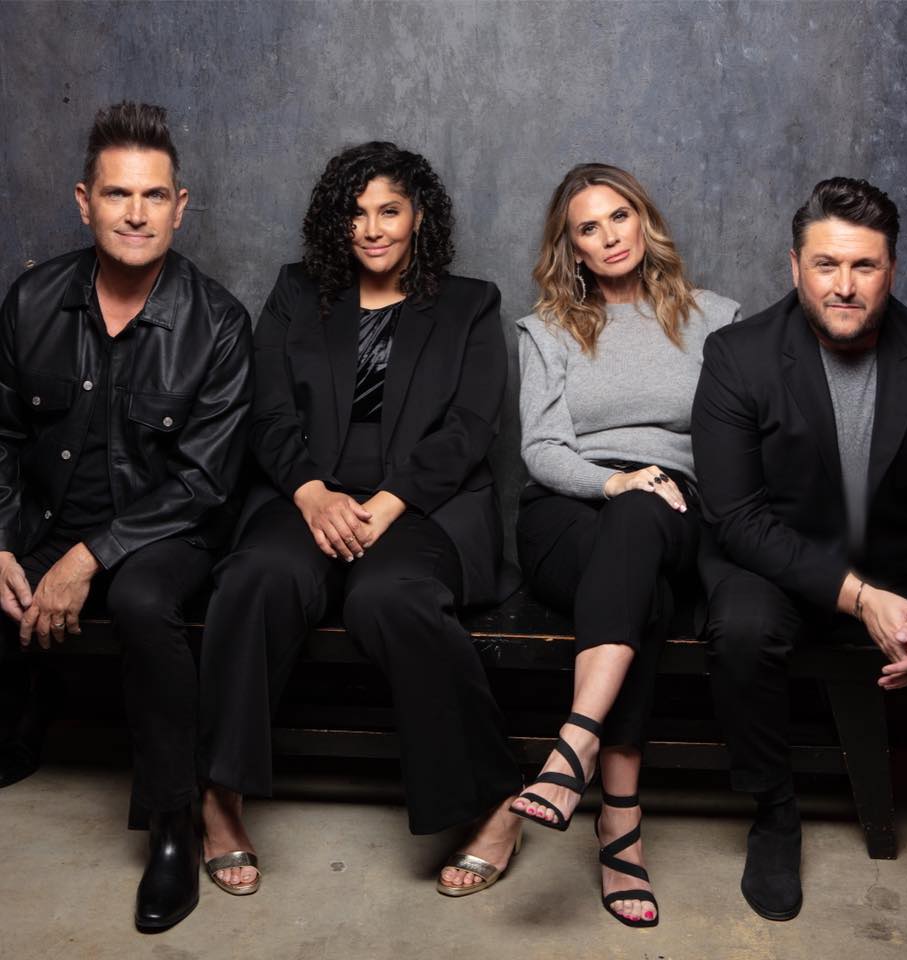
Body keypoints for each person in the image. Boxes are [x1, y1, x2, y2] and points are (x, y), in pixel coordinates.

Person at [198, 141, 523, 899]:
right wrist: (310, 492)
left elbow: (471, 426)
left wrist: (389, 502)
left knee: (390, 597)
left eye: (389, 211)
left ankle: (493, 803)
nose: (372, 229)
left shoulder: (470, 304)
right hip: (306, 494)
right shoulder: (296, 292)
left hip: (425, 505)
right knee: (258, 576)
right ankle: (218, 794)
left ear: (419, 218)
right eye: (356, 213)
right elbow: (268, 409)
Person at [0, 101, 253, 932]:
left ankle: (173, 823)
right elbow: (1, 435)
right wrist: (2, 542)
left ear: (180, 207)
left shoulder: (218, 323)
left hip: (166, 532)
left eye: (153, 196)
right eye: (117, 194)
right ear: (85, 202)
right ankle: (20, 724)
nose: (136, 214)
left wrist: (87, 557)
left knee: (143, 602)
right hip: (45, 518)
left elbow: (203, 481)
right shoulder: (32, 299)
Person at [692, 176, 907, 922]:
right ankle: (774, 812)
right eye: (825, 265)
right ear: (794, 267)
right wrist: (864, 601)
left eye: (864, 265)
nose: (844, 286)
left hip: (903, 566)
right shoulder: (737, 356)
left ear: (892, 269)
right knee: (740, 627)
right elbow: (736, 517)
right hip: (775, 561)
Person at [508, 163, 739, 927]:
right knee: (646, 592)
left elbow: (734, 439)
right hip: (565, 516)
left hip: (673, 510)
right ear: (570, 247)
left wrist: (646, 486)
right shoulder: (546, 330)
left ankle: (572, 746)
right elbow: (541, 449)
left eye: (619, 216)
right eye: (588, 227)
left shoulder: (714, 319)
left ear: (643, 221)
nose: (608, 237)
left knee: (641, 522)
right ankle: (619, 824)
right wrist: (613, 481)